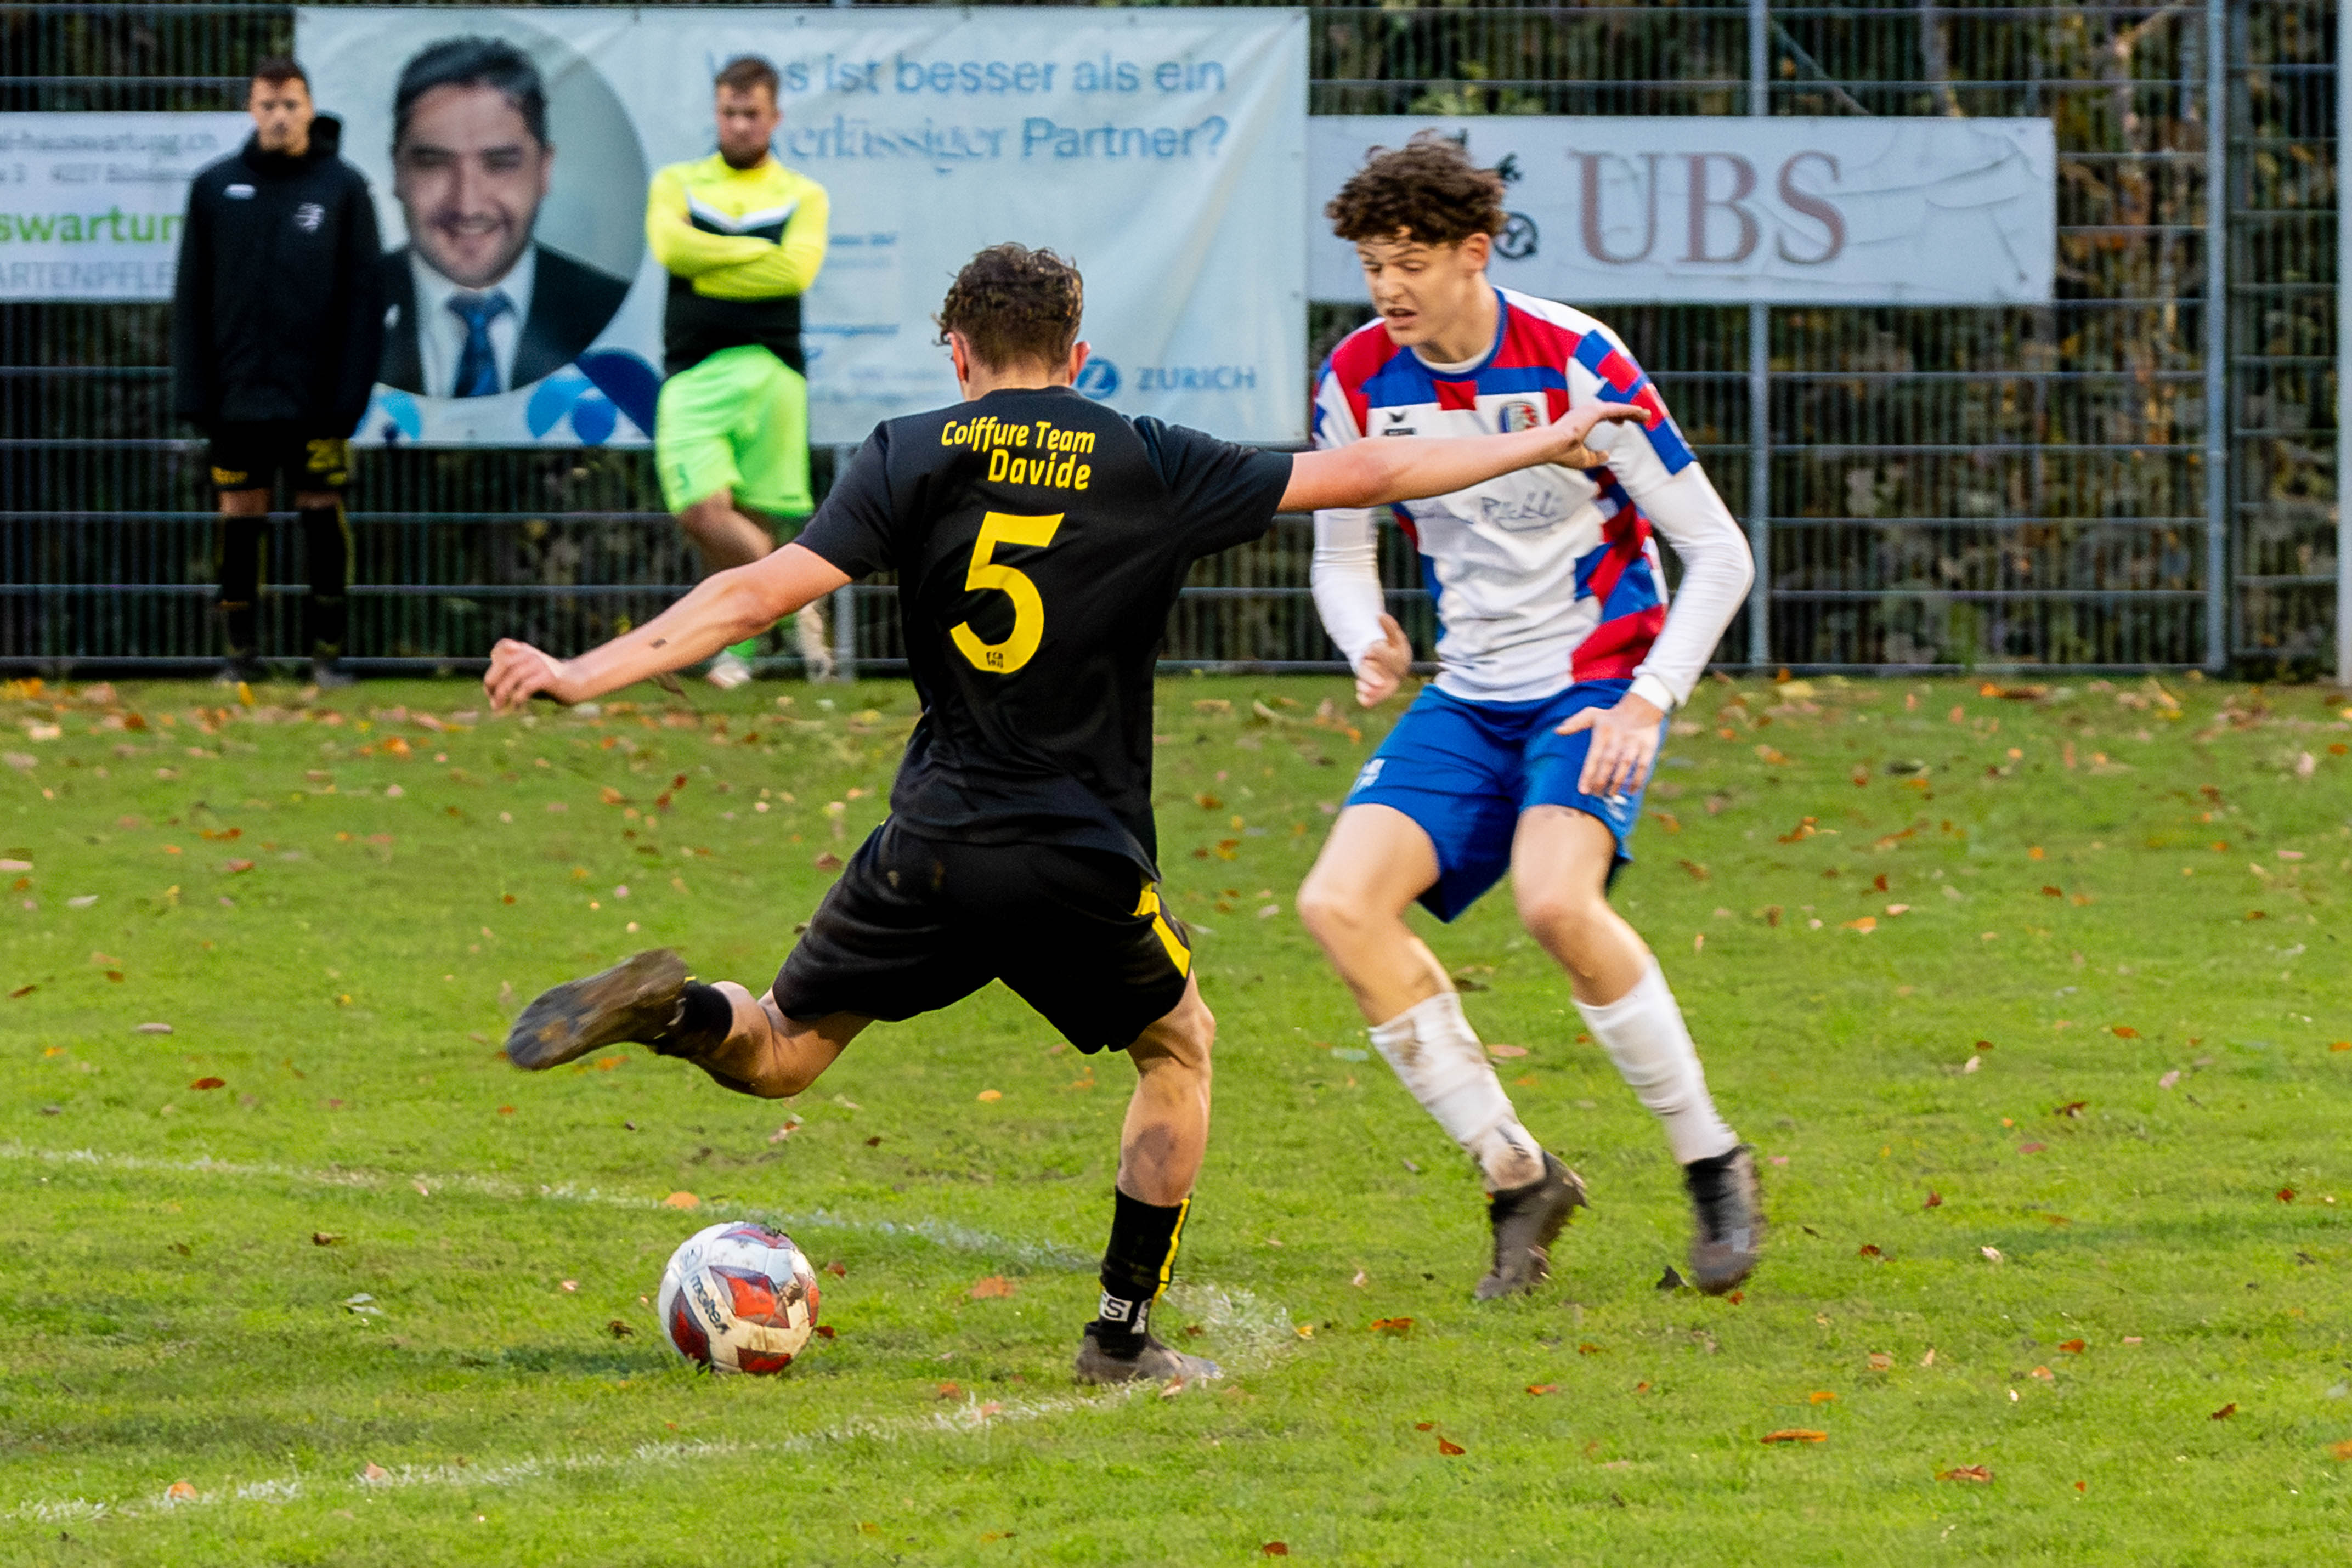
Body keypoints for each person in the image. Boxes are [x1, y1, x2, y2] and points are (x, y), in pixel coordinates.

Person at [484, 244, 1644, 1384]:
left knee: (779, 1049)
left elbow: (749, 594)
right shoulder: (1148, 457)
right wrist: (1541, 436)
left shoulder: (905, 453)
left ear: (957, 355)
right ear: (1076, 356)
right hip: (1077, 855)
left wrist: (583, 673)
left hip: (930, 845)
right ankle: (1118, 1338)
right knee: (1176, 1047)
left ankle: (673, 1008)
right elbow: (1370, 472)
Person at [1294, 135, 1763, 1300]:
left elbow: (1717, 553)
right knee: (1337, 905)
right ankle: (1517, 1173)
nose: (1388, 288)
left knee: (1555, 902)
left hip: (1596, 678)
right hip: (1468, 691)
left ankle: (1710, 1159)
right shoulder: (1354, 377)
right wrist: (1362, 635)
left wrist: (1647, 699)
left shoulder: (1577, 361)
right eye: (1371, 265)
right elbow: (1339, 552)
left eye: (1409, 261)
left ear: (1474, 251)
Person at [172, 55, 384, 689]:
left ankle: (328, 655)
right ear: (251, 110)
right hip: (237, 395)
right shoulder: (215, 188)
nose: (280, 117)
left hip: (317, 399)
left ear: (310, 108)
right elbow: (191, 296)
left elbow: (365, 302)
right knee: (240, 514)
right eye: (268, 105)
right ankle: (241, 656)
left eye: (291, 104)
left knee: (321, 511)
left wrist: (350, 394)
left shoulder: (344, 188)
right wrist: (196, 392)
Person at [644, 54, 832, 688]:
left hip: (774, 369)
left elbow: (795, 271)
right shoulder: (677, 182)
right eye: (729, 112)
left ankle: (734, 660)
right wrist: (758, 252)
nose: (740, 124)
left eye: (752, 113)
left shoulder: (803, 194)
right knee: (702, 513)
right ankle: (797, 595)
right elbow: (670, 248)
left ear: (775, 117)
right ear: (716, 112)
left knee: (747, 519)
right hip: (693, 369)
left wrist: (710, 265)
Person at [377, 37, 630, 399]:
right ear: (397, 171)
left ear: (544, 170)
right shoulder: (337, 312)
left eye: (499, 164)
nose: (467, 205)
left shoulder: (612, 311)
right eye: (433, 163)